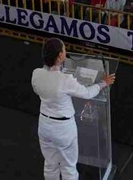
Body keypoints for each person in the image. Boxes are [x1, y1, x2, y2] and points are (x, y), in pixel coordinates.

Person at [31, 38, 115, 180]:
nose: (66, 51)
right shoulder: (65, 80)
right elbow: (87, 93)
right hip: (63, 129)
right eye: (64, 49)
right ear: (60, 56)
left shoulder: (36, 74)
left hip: (44, 125)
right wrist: (102, 83)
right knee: (69, 167)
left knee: (50, 164)